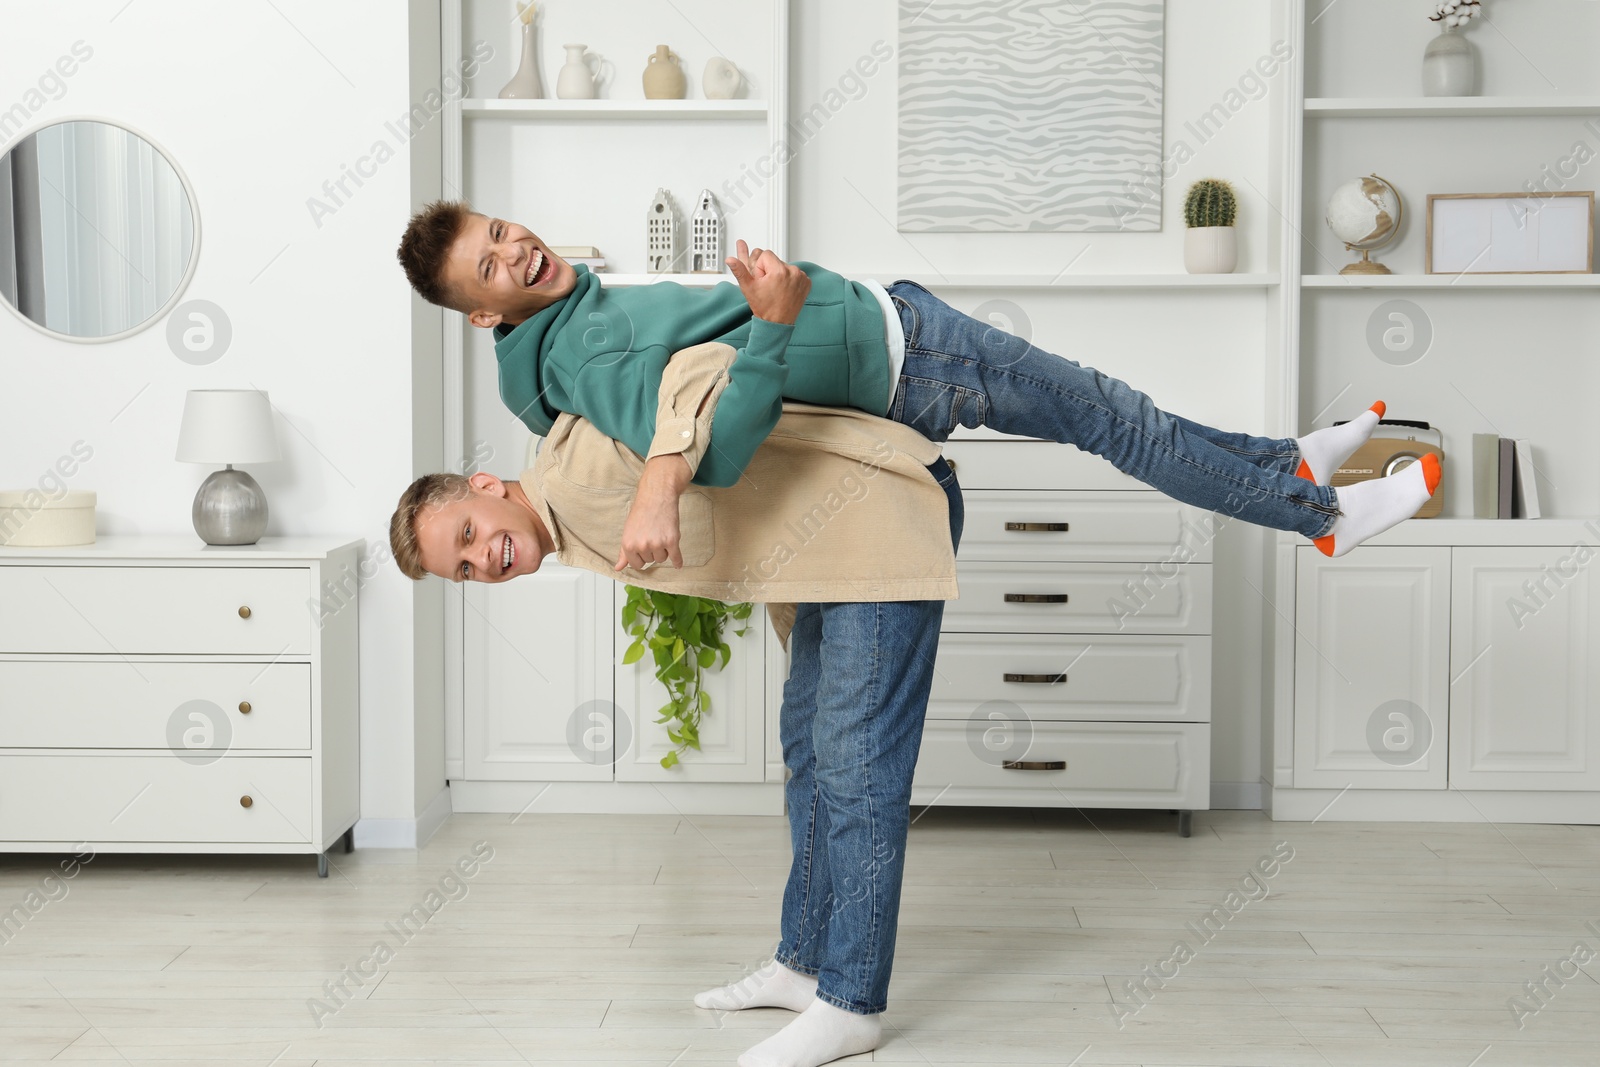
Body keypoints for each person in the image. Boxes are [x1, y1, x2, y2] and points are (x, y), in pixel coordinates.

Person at [389, 342, 966, 1067]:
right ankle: (804, 964)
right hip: (828, 552)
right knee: (809, 753)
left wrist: (659, 489)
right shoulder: (566, 526)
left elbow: (703, 362)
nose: (485, 560)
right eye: (465, 569)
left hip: (886, 507)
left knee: (858, 768)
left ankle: (852, 1005)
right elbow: (744, 510)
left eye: (468, 534)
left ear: (484, 485)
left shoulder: (579, 465)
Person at [396, 201, 1441, 565]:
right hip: (906, 362)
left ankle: (1286, 460)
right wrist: (771, 327)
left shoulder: (571, 318)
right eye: (488, 269)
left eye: (499, 232)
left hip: (892, 327)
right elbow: (707, 441)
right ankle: (1318, 514)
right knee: (1112, 419)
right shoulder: (580, 352)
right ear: (484, 315)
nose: (513, 251)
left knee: (1118, 409)